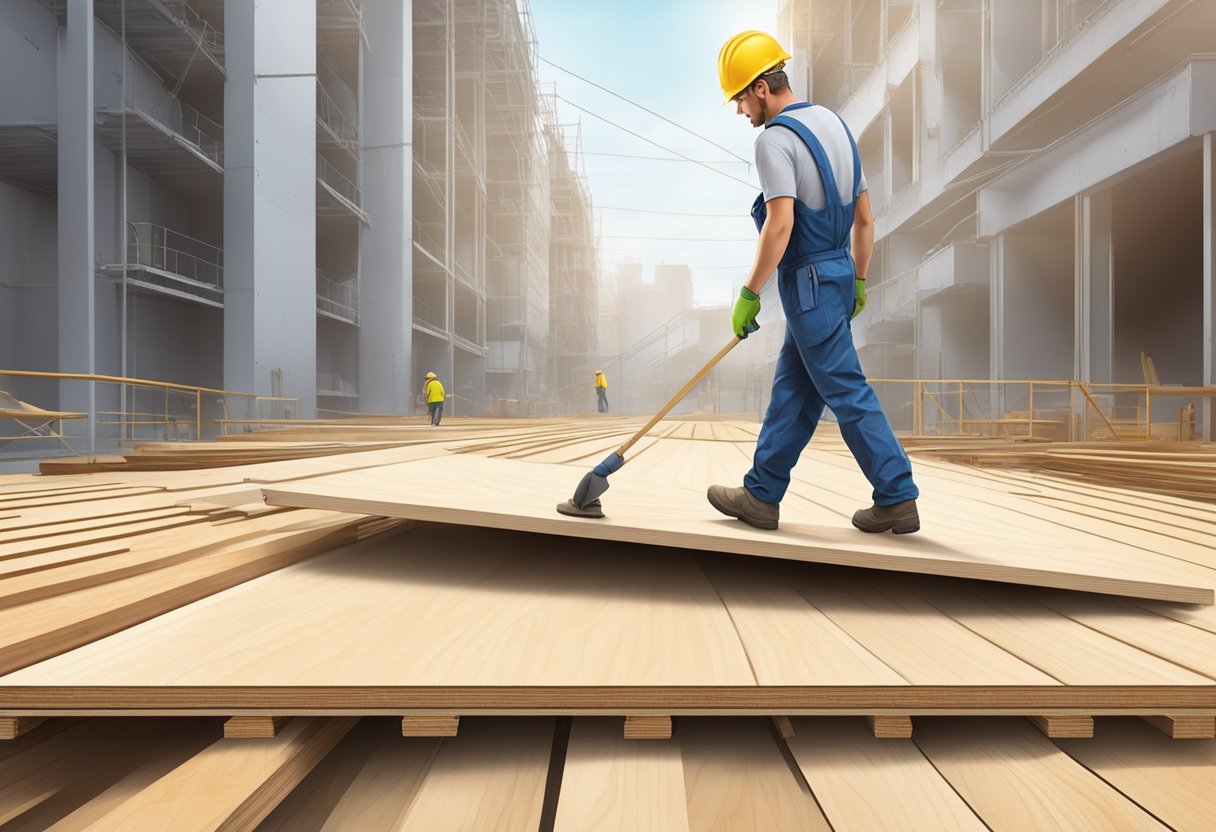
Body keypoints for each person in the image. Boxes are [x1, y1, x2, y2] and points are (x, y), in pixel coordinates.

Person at [706, 30, 920, 534]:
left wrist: (749, 293)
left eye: (739, 98)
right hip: (839, 277)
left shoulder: (774, 141)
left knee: (846, 389)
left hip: (807, 286)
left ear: (761, 88)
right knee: (795, 389)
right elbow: (866, 220)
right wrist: (859, 280)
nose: (740, 111)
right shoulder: (835, 124)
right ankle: (761, 493)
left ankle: (897, 493)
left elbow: (780, 226)